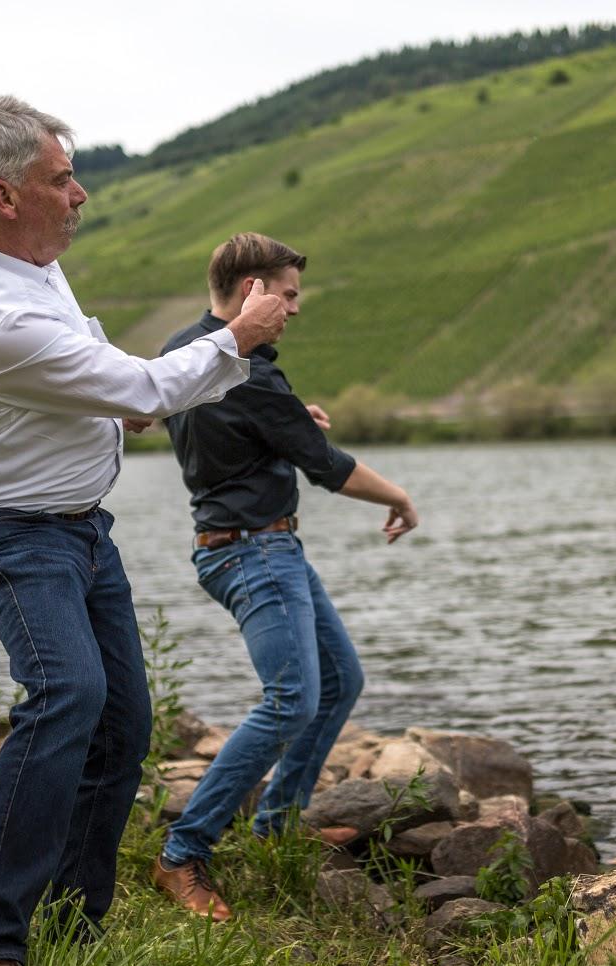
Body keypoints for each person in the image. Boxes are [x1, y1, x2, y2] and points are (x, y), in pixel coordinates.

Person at [0, 97, 287, 966]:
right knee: (67, 693)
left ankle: (71, 926)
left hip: (75, 520)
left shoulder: (29, 259)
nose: (79, 193)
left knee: (123, 722)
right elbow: (145, 386)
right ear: (3, 194)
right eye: (59, 178)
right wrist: (235, 338)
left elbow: (102, 380)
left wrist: (130, 399)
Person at [152, 232, 419, 921]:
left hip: (257, 546)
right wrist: (397, 496)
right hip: (252, 551)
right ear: (253, 291)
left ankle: (274, 824)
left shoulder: (185, 350)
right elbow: (327, 467)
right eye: (288, 294)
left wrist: (285, 421)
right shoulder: (251, 373)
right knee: (292, 698)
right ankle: (183, 851)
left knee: (339, 681)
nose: (294, 309)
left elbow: (219, 433)